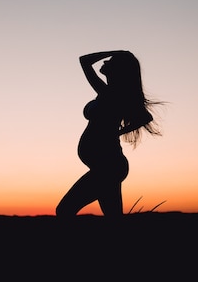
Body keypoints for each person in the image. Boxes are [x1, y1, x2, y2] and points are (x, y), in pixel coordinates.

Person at [56, 50, 162, 218]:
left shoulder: (110, 94)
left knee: (64, 210)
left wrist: (117, 52)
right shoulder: (110, 93)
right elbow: (145, 117)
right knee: (114, 219)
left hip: (107, 168)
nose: (104, 63)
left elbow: (84, 61)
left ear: (118, 70)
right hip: (109, 167)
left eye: (110, 61)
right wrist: (118, 132)